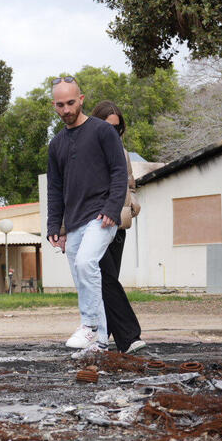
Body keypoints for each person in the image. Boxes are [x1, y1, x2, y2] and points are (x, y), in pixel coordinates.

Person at [46, 76, 128, 351]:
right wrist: (54, 226)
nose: (66, 109)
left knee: (85, 264)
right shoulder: (56, 144)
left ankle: (90, 326)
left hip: (101, 216)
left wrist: (112, 208)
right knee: (83, 278)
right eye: (60, 105)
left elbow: (119, 171)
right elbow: (55, 189)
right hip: (74, 222)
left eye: (71, 102)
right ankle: (101, 341)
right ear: (54, 105)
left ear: (81, 100)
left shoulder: (102, 131)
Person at [88, 100, 145, 355]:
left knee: (107, 282)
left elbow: (129, 184)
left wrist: (132, 203)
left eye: (117, 127)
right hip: (95, 224)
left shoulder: (121, 151)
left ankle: (100, 340)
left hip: (119, 224)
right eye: (107, 126)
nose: (113, 131)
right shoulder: (87, 149)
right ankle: (130, 337)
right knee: (106, 279)